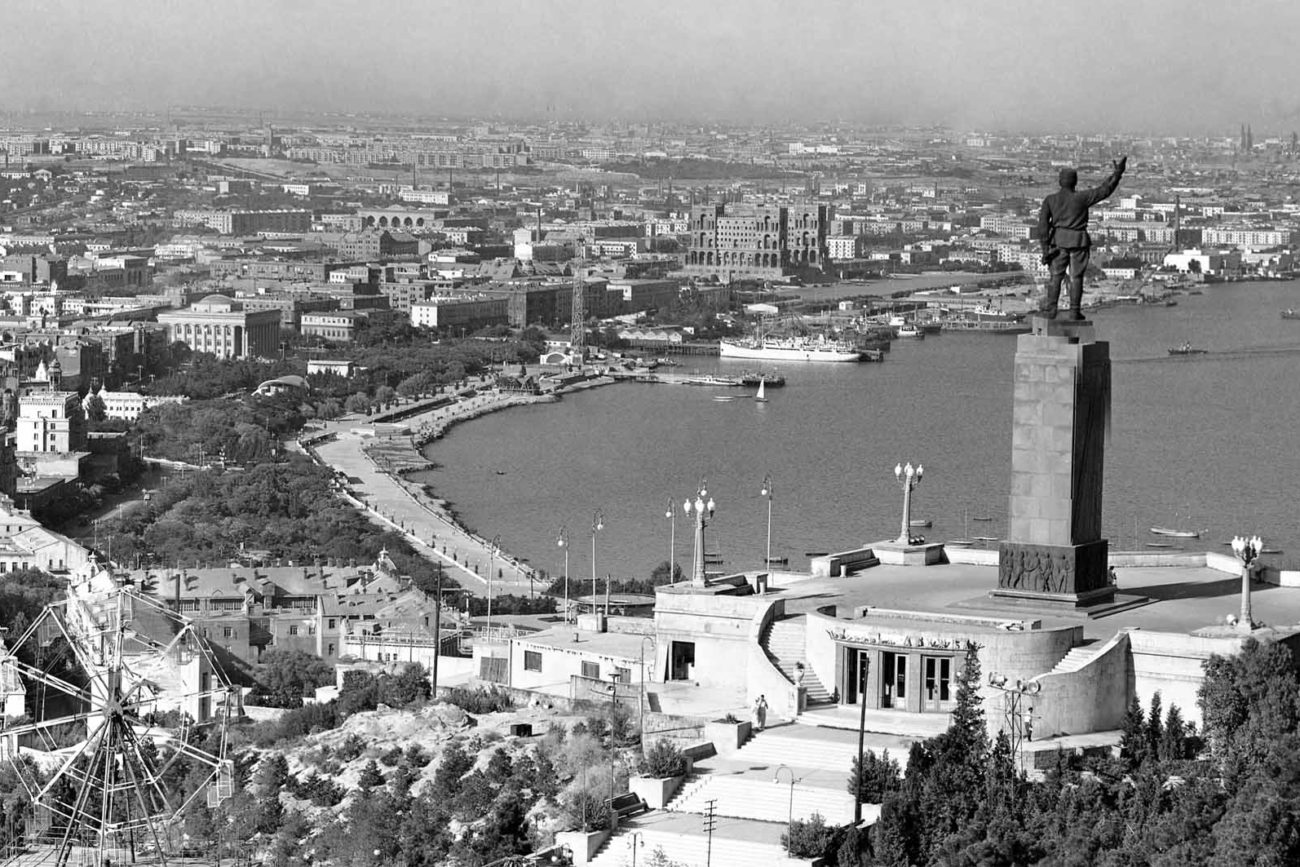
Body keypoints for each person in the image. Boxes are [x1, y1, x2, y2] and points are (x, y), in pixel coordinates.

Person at [1037, 156, 1128, 320]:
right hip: (1078, 241)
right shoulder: (1082, 198)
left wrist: (1045, 249)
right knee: (1076, 277)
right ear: (1075, 182)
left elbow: (1043, 227)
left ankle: (1051, 311)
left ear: (1060, 181)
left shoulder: (1050, 200)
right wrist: (1118, 173)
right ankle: (1074, 311)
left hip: (1057, 242)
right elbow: (1104, 190)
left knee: (1055, 277)